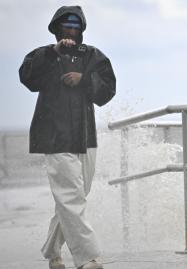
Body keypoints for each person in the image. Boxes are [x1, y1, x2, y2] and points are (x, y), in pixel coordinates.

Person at [19, 6, 115, 269]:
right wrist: (52, 53)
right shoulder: (44, 55)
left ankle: (52, 250)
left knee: (75, 197)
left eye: (75, 25)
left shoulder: (93, 56)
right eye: (65, 25)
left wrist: (85, 80)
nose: (70, 29)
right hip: (54, 137)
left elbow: (107, 91)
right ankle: (89, 257)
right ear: (56, 28)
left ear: (82, 29)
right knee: (71, 198)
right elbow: (27, 78)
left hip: (86, 137)